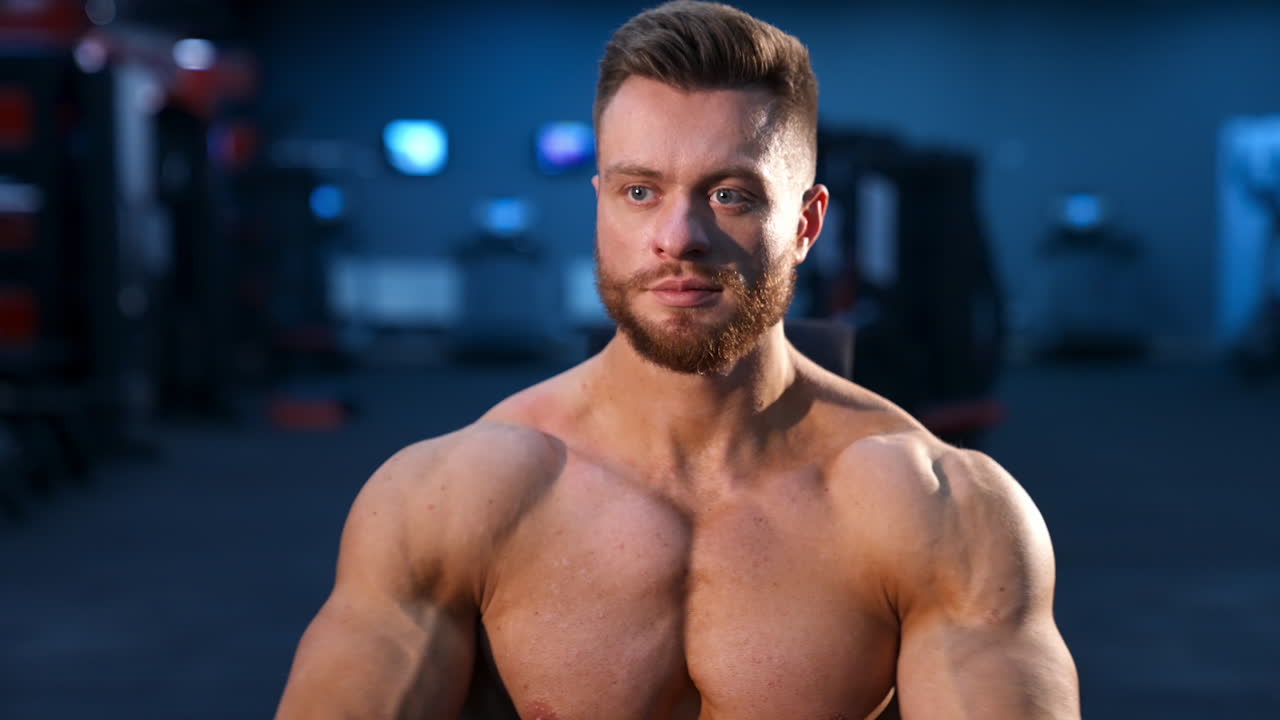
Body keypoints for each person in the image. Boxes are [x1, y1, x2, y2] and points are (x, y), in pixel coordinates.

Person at [274, 2, 1081, 718]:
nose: (678, 236)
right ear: (598, 203)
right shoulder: (448, 499)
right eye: (639, 192)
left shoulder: (941, 510)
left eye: (730, 193)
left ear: (805, 223)